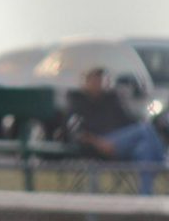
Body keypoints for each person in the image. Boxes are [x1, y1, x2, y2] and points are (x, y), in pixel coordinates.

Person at [69, 66, 165, 195]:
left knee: (144, 149)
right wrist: (98, 143)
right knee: (145, 129)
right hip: (98, 145)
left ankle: (145, 197)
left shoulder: (111, 99)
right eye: (94, 79)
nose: (97, 83)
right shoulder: (77, 102)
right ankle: (163, 162)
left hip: (120, 143)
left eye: (99, 79)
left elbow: (129, 122)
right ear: (86, 81)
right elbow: (75, 131)